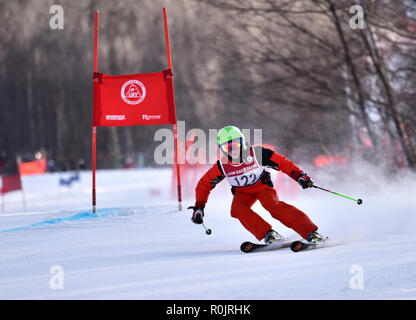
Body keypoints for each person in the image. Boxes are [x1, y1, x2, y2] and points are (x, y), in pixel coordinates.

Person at [188, 126, 324, 244]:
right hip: (243, 192)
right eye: (227, 147)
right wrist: (199, 206)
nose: (232, 150)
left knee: (272, 207)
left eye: (235, 144)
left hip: (262, 187)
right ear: (221, 149)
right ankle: (269, 234)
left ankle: (310, 232)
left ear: (242, 142)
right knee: (237, 209)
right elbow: (204, 185)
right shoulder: (222, 166)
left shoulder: (257, 153)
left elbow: (282, 162)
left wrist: (299, 176)